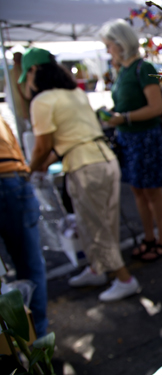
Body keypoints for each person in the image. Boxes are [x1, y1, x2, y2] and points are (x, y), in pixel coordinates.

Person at [22, 47, 140, 302]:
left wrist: (29, 170)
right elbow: (73, 139)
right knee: (104, 223)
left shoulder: (41, 101)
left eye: (26, 76)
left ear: (34, 71)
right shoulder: (75, 92)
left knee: (96, 225)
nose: (26, 83)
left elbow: (43, 147)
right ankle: (98, 268)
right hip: (105, 160)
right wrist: (43, 163)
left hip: (84, 167)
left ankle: (124, 278)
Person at [99, 19, 162, 261]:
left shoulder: (143, 67)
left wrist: (124, 117)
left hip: (145, 140)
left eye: (109, 45)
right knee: (138, 191)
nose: (108, 50)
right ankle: (149, 238)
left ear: (120, 44)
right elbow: (125, 104)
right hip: (128, 140)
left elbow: (156, 107)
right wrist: (114, 115)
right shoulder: (122, 71)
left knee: (152, 192)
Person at [0, 117, 48, 336]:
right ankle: (35, 342)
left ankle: (26, 344)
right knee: (30, 266)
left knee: (29, 267)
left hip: (12, 176)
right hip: (14, 177)